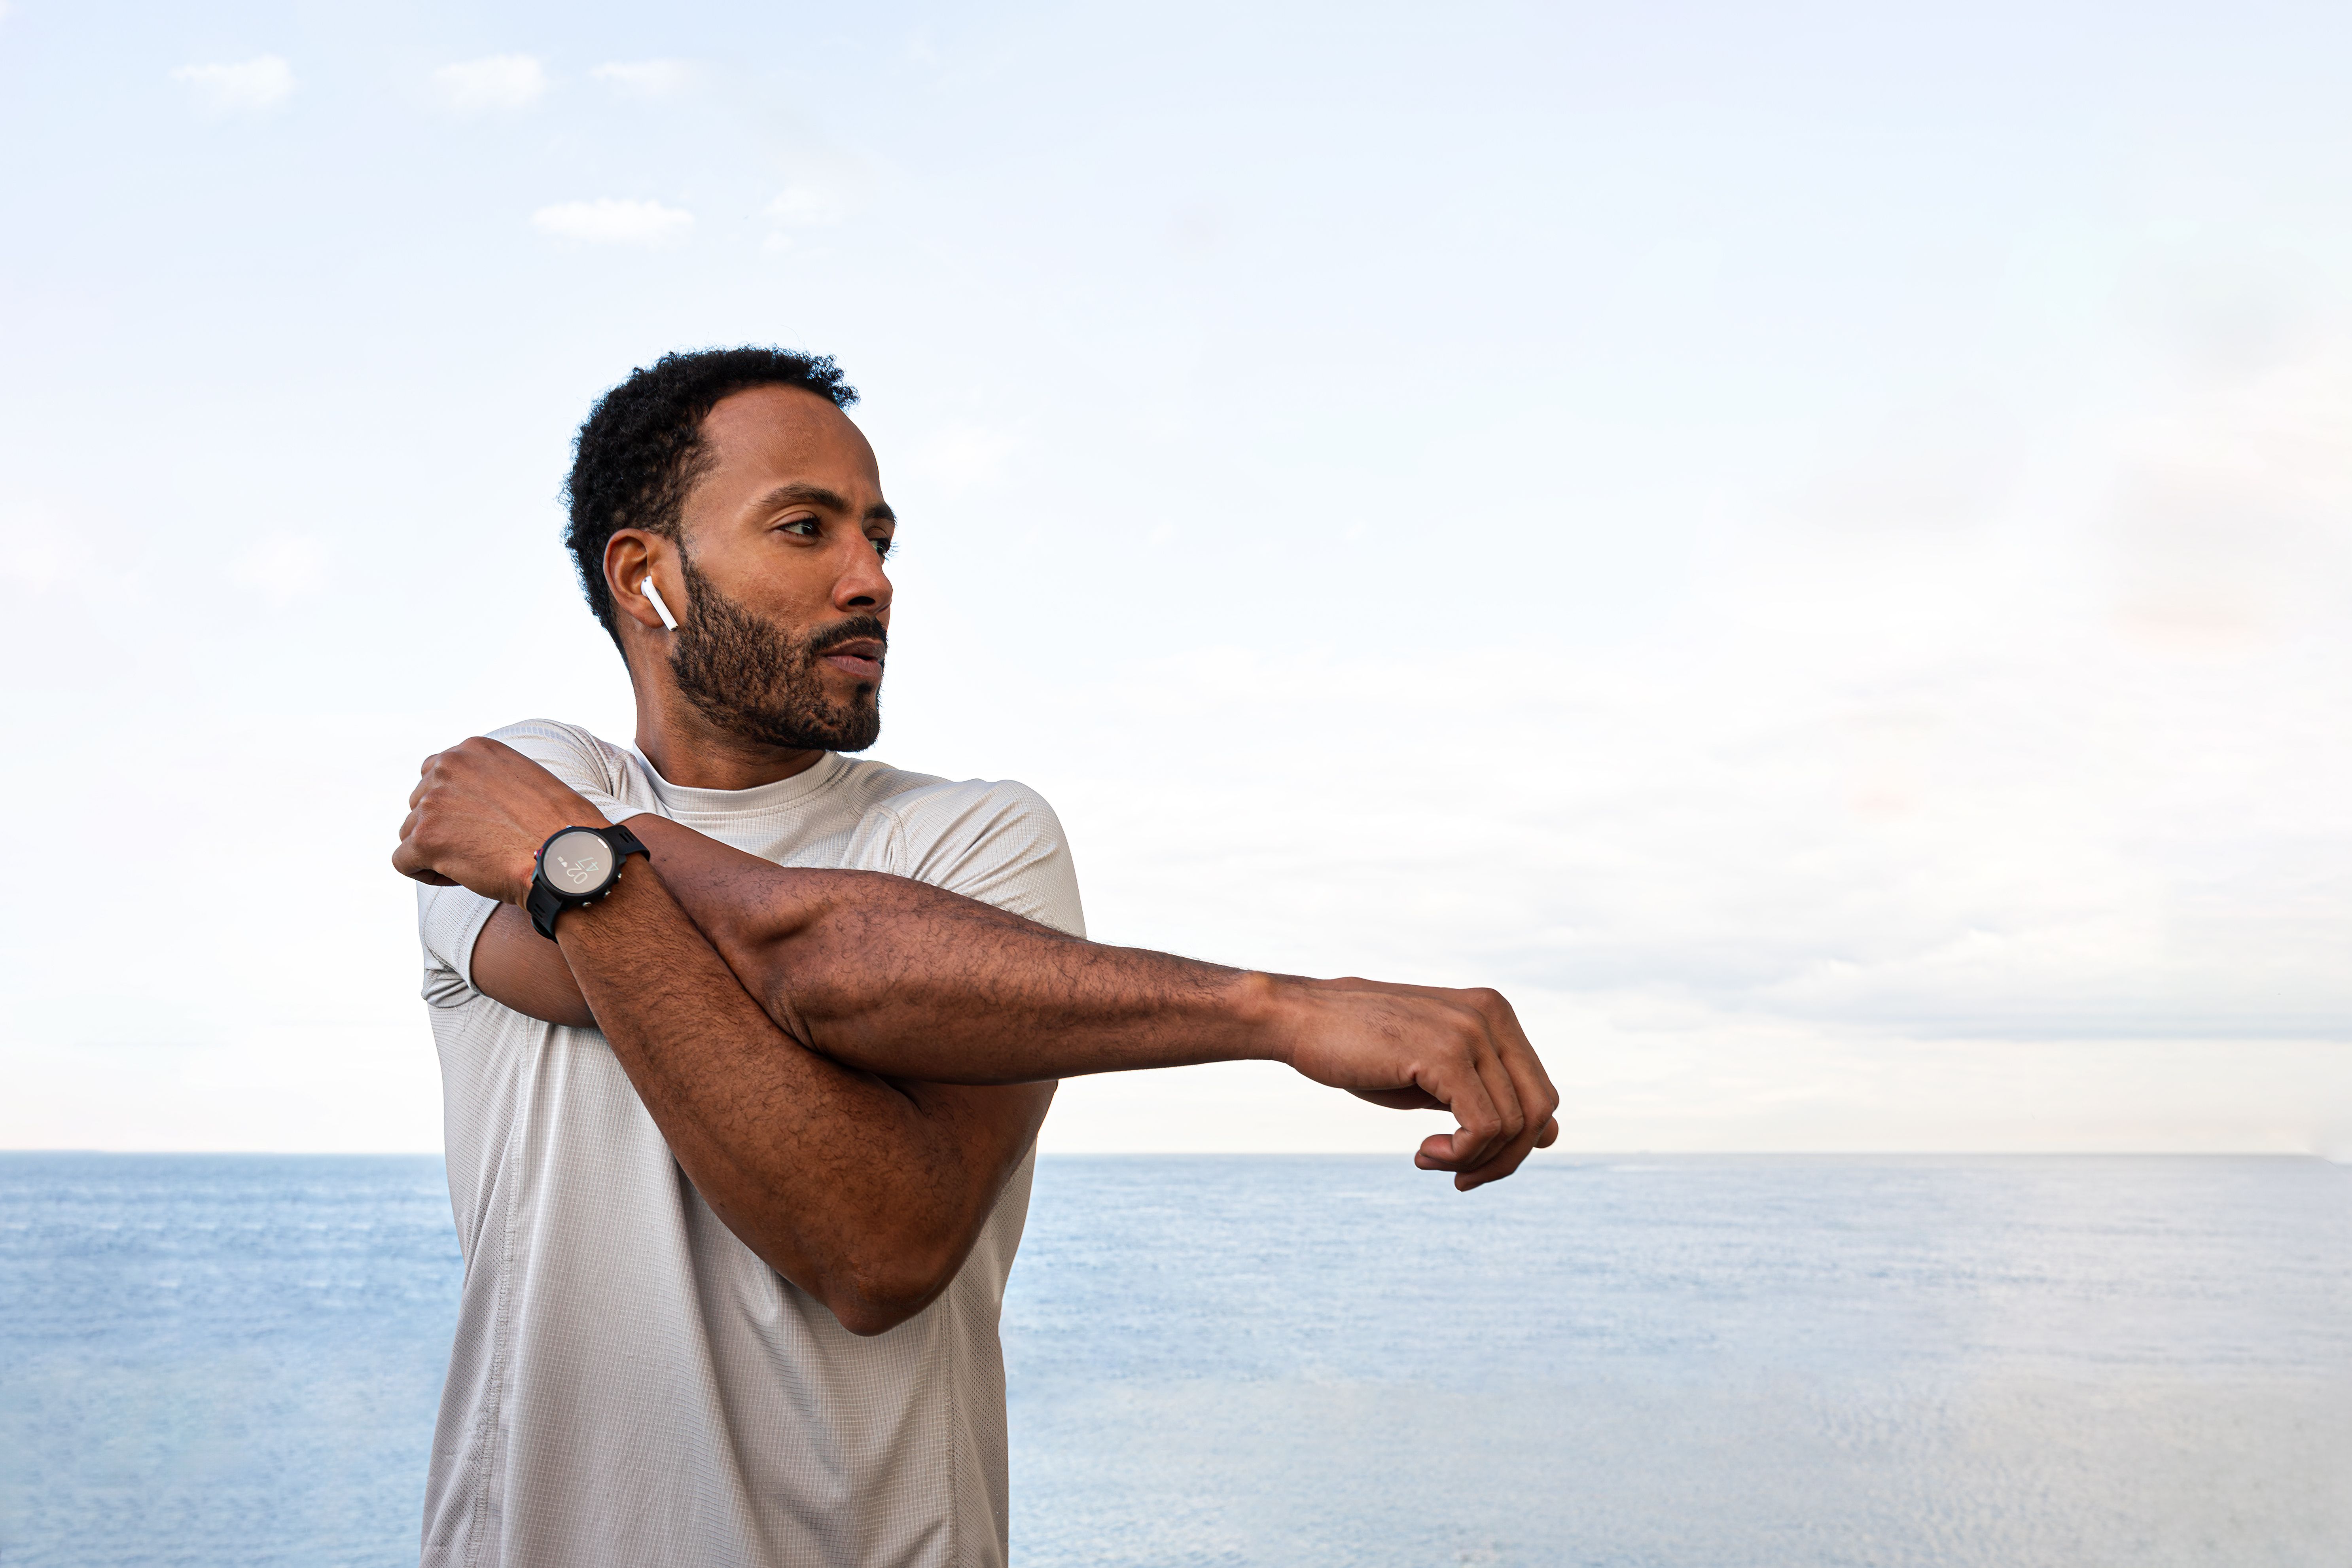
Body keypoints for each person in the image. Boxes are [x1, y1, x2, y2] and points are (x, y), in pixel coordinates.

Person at [393, 346, 1559, 1568]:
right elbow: (807, 954)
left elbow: (877, 1245)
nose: (871, 580)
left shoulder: (974, 837)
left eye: (882, 538)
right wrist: (1271, 1012)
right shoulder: (520, 781)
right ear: (648, 577)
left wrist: (577, 867)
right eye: (806, 529)